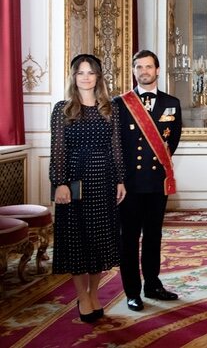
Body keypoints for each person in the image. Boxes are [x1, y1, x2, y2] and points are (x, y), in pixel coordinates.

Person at [50, 54, 126, 323]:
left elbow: (115, 148)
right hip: (74, 182)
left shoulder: (110, 108)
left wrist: (120, 180)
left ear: (98, 77)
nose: (85, 76)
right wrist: (59, 183)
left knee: (99, 241)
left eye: (90, 72)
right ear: (74, 77)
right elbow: (58, 150)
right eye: (80, 72)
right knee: (77, 242)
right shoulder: (63, 109)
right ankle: (82, 297)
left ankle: (94, 292)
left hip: (103, 181)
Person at [114, 50, 182, 312]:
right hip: (129, 184)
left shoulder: (171, 102)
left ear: (157, 70)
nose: (144, 71)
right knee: (128, 238)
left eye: (148, 66)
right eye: (139, 67)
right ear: (134, 71)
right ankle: (132, 291)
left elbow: (172, 141)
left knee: (154, 235)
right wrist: (120, 178)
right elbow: (116, 146)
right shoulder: (120, 103)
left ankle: (152, 284)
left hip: (156, 182)